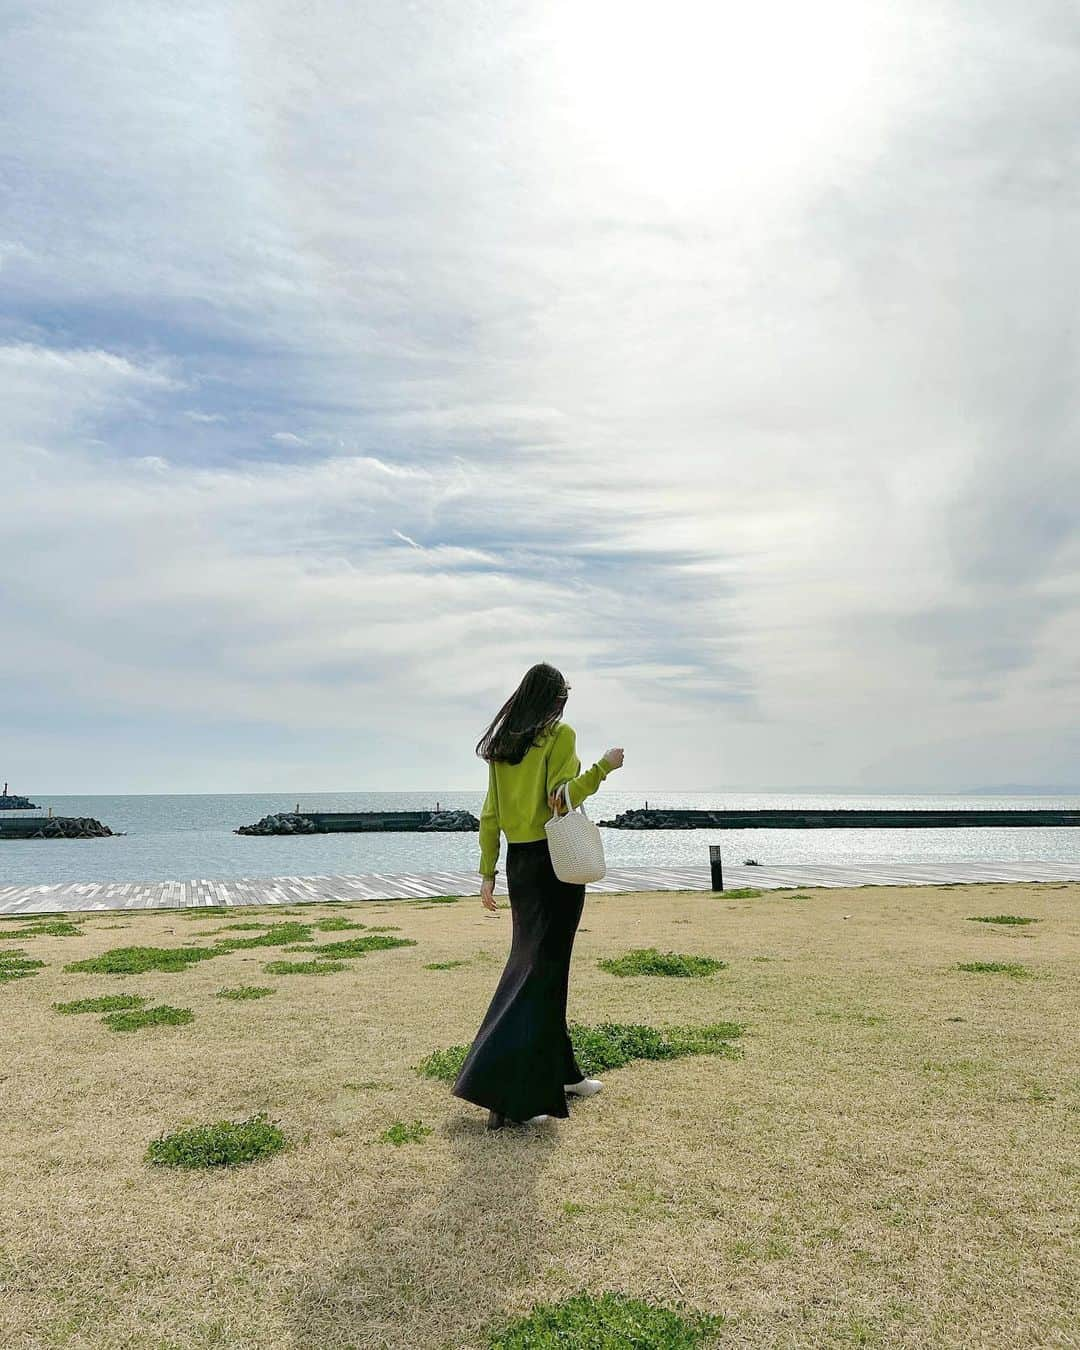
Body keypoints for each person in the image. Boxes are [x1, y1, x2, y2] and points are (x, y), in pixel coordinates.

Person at [450, 662, 625, 1131]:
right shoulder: (559, 736)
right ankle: (509, 1095)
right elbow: (562, 798)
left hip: (520, 865)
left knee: (540, 966)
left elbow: (490, 815)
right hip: (555, 864)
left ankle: (564, 1073)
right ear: (555, 701)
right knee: (541, 972)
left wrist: (487, 872)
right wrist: (606, 766)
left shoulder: (504, 745)